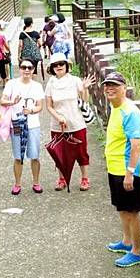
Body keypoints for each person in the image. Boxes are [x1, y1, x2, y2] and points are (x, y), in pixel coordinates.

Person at [102, 71, 140, 267]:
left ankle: (137, 252)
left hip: (128, 171)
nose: (110, 89)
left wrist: (130, 173)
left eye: (115, 85)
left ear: (124, 89)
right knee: (122, 209)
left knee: (131, 211)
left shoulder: (130, 112)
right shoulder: (115, 107)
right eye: (107, 85)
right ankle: (126, 242)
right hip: (115, 168)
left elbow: (136, 145)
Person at [45, 53, 95, 191]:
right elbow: (49, 106)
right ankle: (62, 179)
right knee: (59, 153)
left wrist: (84, 88)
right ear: (52, 68)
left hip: (76, 123)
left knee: (81, 152)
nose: (59, 67)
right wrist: (58, 117)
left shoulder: (75, 80)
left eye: (61, 64)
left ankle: (85, 178)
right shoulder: (51, 83)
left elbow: (84, 100)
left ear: (67, 65)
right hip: (58, 125)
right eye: (55, 65)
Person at [0, 58, 45, 195]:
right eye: (23, 67)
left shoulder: (37, 86)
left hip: (33, 125)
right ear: (19, 68)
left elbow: (39, 106)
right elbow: (2, 100)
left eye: (29, 68)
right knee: (18, 156)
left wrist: (30, 111)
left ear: (33, 70)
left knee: (35, 155)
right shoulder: (11, 84)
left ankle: (36, 182)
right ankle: (17, 184)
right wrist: (12, 102)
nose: (26, 70)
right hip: (17, 124)